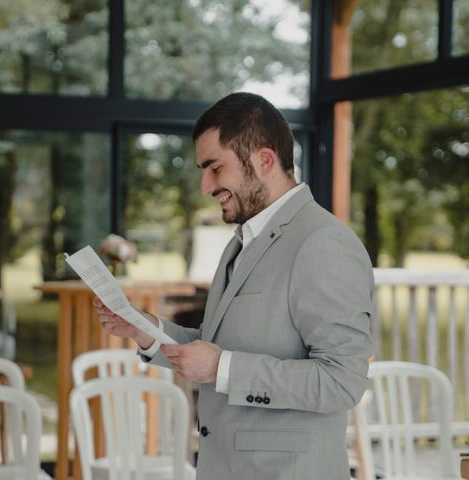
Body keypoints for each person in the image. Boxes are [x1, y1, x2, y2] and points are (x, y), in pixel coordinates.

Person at [95, 92, 375, 480]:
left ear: (264, 160)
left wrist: (222, 368)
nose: (205, 186)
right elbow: (217, 344)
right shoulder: (243, 239)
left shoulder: (323, 243)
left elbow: (341, 382)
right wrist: (144, 330)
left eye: (214, 168)